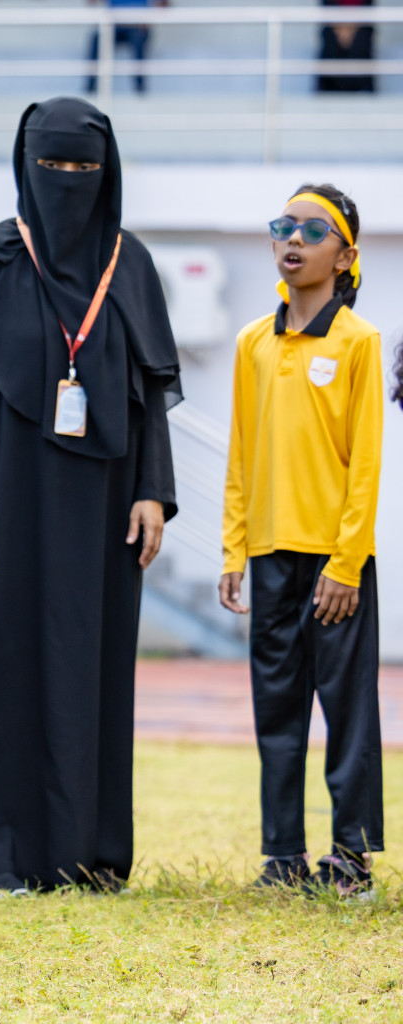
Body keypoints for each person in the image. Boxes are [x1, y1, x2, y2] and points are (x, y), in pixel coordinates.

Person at [0, 98, 181, 893]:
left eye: (85, 169)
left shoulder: (134, 266)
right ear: (24, 167)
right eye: (53, 167)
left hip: (103, 505)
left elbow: (151, 393)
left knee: (87, 663)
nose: (68, 183)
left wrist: (154, 492)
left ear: (108, 172)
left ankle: (77, 851)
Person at [219, 184, 383, 896]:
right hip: (268, 555)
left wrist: (345, 562)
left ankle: (351, 861)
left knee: (346, 712)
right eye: (283, 226)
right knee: (276, 708)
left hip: (335, 562)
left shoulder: (359, 342)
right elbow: (240, 453)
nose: (293, 240)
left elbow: (366, 463)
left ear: (345, 255)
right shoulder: (253, 342)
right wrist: (235, 548)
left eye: (313, 231)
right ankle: (282, 858)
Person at [85, 0, 168, 96]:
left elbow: (165, 4)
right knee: (96, 40)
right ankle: (90, 89)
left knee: (138, 40)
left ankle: (140, 90)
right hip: (113, 26)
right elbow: (91, 2)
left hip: (137, 27)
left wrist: (148, 17)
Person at [317, 0, 376, 94]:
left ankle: (365, 93)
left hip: (360, 27)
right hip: (334, 27)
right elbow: (327, 7)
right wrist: (340, 29)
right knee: (330, 41)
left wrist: (350, 29)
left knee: (361, 41)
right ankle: (325, 94)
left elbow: (368, 7)